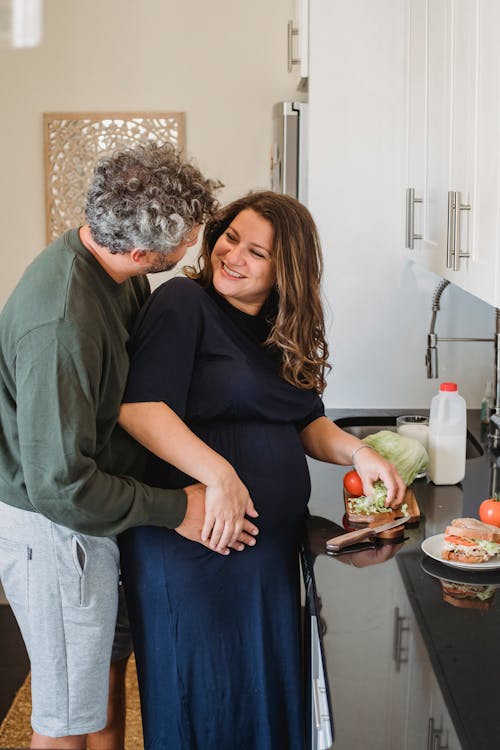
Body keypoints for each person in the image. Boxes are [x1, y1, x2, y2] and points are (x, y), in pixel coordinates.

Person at [118, 190, 406, 749]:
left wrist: (359, 453)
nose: (233, 256)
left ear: (285, 272)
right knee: (200, 699)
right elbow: (140, 408)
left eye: (256, 252)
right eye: (231, 238)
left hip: (267, 554)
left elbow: (304, 421)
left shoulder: (278, 327)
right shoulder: (182, 302)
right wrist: (221, 477)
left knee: (265, 702)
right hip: (197, 546)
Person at [0, 142, 259, 750]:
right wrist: (181, 510)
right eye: (195, 234)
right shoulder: (62, 325)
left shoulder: (112, 269)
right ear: (146, 252)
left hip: (94, 525)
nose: (204, 239)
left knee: (100, 691)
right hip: (57, 534)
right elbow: (61, 487)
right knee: (64, 721)